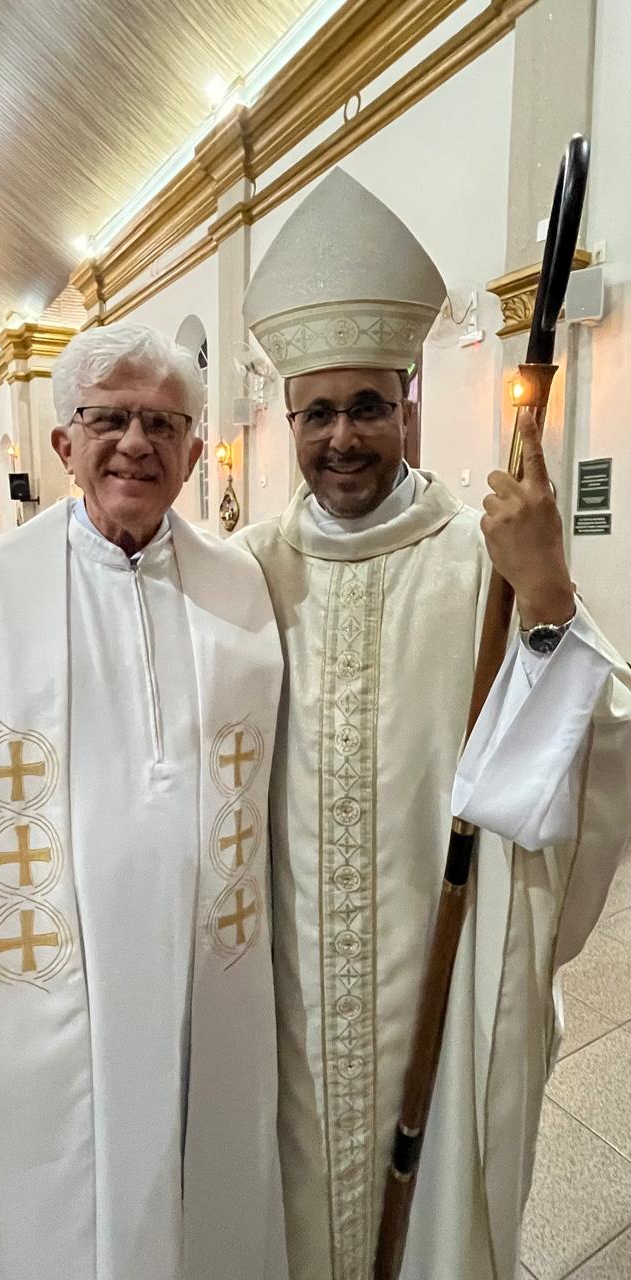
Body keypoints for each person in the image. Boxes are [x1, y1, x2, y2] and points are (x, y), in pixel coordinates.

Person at [235, 169, 631, 1279]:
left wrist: (548, 593)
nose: (343, 436)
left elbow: (599, 741)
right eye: (318, 411)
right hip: (284, 999)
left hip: (441, 987)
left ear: (409, 401)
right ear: (288, 419)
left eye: (368, 405)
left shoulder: (481, 561)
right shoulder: (247, 572)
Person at [0, 324, 287, 1280]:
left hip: (212, 987)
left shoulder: (240, 586)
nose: (136, 443)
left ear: (195, 454)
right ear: (63, 443)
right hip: (43, 1002)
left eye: (164, 424)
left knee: (209, 1216)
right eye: (109, 418)